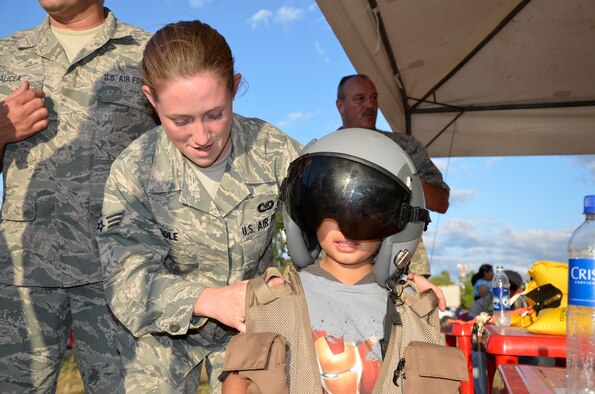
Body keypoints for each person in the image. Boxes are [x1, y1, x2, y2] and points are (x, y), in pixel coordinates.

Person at [95, 20, 304, 393]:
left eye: (215, 114)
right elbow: (127, 282)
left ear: (235, 88)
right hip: (161, 334)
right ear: (151, 99)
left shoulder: (275, 152)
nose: (202, 137)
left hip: (252, 326)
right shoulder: (135, 170)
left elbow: (330, 231)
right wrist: (209, 300)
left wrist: (388, 274)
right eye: (181, 120)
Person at [0, 1, 157, 392]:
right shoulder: (6, 53)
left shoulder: (148, 53)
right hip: (23, 277)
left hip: (118, 274)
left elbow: (182, 154)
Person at [222, 128, 450, 393]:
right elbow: (238, 381)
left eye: (366, 216)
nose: (346, 228)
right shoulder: (273, 300)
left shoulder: (412, 310)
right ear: (307, 214)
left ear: (397, 224)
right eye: (330, 210)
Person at [335, 74, 450, 277]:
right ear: (340, 106)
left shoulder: (404, 147)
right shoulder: (327, 152)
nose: (370, 105)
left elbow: (441, 202)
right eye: (360, 99)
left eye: (374, 97)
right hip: (342, 264)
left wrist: (403, 175)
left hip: (404, 265)